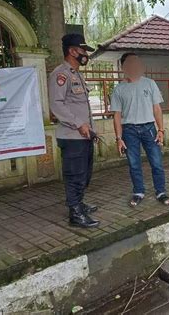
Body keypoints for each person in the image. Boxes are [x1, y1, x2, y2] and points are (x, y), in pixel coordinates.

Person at [48, 33, 99, 228]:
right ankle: (75, 214)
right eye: (83, 50)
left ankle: (79, 203)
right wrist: (79, 124)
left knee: (84, 174)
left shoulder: (77, 75)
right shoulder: (61, 74)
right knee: (75, 176)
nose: (86, 54)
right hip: (72, 137)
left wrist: (89, 129)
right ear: (72, 51)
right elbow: (57, 105)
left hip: (84, 136)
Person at [111, 52, 169, 207]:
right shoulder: (119, 89)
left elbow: (157, 109)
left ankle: (161, 192)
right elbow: (117, 116)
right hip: (129, 130)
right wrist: (119, 138)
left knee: (156, 162)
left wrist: (161, 130)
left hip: (149, 128)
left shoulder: (150, 83)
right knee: (134, 164)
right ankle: (138, 192)